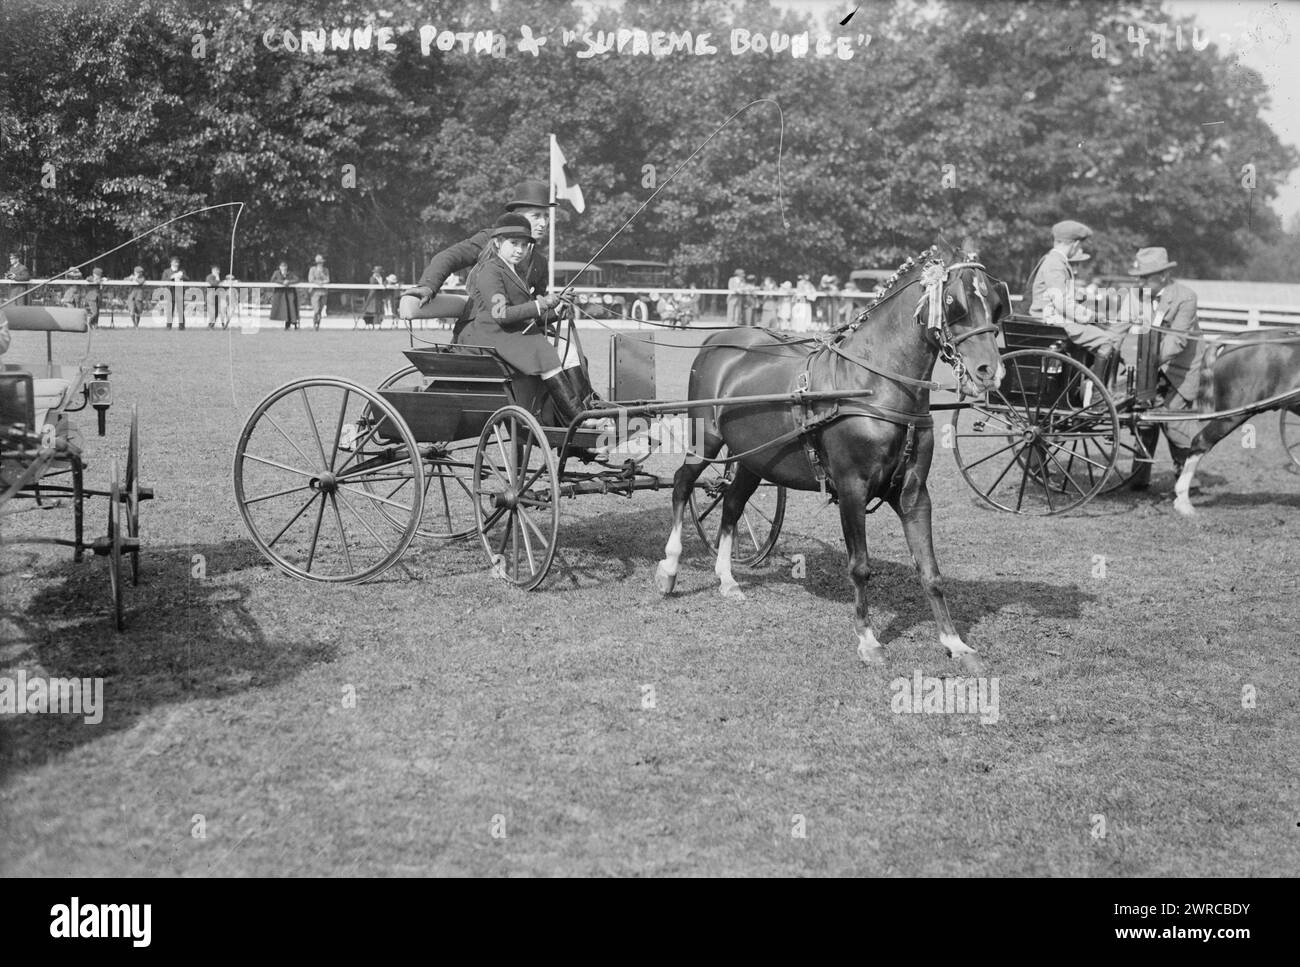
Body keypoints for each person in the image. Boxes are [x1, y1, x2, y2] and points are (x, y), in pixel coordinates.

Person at [462, 214, 580, 423]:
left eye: (524, 245)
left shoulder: (514, 271)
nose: (519, 250)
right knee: (545, 352)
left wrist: (558, 308)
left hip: (510, 333)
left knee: (567, 351)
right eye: (514, 243)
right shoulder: (490, 270)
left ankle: (582, 409)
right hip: (491, 336)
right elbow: (502, 314)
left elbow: (525, 315)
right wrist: (540, 304)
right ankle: (578, 417)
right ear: (497, 243)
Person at [401, 179, 554, 335]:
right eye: (536, 216)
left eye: (546, 216)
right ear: (517, 216)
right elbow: (450, 257)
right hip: (480, 329)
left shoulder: (540, 262)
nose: (543, 223)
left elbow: (534, 305)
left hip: (516, 332)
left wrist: (551, 318)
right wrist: (428, 286)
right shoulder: (490, 239)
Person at [1126, 247, 1209, 490]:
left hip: (1180, 368)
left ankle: (1186, 481)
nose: (1140, 282)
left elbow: (1177, 341)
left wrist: (1145, 364)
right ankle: (1138, 479)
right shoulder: (1138, 295)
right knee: (1144, 416)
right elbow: (1125, 326)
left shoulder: (1186, 297)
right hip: (1150, 365)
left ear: (1163, 276)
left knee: (1174, 421)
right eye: (1139, 277)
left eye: (1145, 277)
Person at [1027, 220, 1124, 365]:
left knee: (1110, 333)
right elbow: (1063, 304)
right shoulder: (1055, 264)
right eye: (1081, 245)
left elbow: (1067, 296)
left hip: (1058, 319)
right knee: (1106, 342)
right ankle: (1098, 387)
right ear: (1076, 244)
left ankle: (1087, 381)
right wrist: (1093, 316)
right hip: (1052, 321)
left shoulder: (1057, 262)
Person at [270, 261, 301, 330]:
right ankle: (287, 325)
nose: (283, 268)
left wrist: (288, 282)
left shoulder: (290, 273)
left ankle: (295, 324)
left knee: (292, 309)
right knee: (284, 310)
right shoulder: (276, 273)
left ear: (286, 267)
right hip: (281, 295)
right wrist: (282, 282)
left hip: (290, 294)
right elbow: (272, 280)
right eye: (282, 267)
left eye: (285, 267)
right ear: (280, 267)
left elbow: (297, 279)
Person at [307, 254, 330, 329]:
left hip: (323, 292)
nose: (321, 264)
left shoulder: (326, 270)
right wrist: (318, 282)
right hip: (314, 292)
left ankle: (317, 324)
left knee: (320, 309)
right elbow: (311, 279)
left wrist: (322, 278)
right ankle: (315, 322)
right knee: (316, 309)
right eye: (319, 262)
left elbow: (328, 280)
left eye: (322, 262)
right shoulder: (312, 269)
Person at [163, 256, 186, 329]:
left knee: (180, 310)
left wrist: (181, 276)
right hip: (170, 292)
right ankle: (169, 326)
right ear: (171, 263)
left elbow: (187, 278)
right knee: (170, 310)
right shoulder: (166, 271)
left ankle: (181, 326)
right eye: (175, 262)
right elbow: (163, 281)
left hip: (179, 291)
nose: (176, 264)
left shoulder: (182, 271)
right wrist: (171, 277)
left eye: (177, 262)